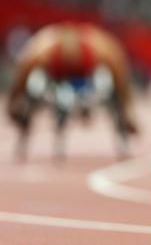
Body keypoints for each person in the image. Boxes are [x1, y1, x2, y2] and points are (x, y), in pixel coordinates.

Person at [7, 22, 138, 158]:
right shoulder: (44, 48)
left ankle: (122, 132)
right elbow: (23, 69)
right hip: (56, 84)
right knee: (34, 88)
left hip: (86, 84)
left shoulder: (99, 48)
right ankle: (25, 131)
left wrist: (126, 110)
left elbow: (119, 71)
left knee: (109, 88)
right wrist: (15, 102)